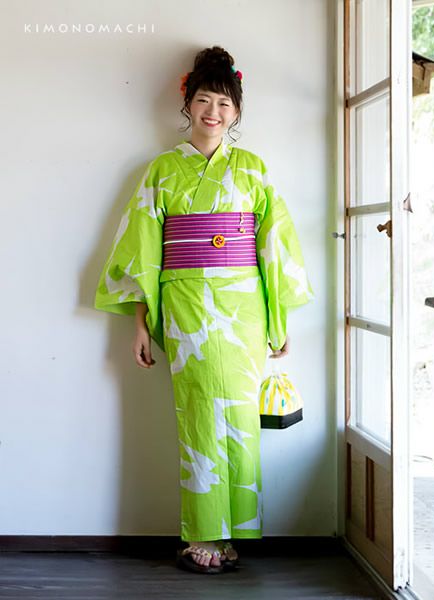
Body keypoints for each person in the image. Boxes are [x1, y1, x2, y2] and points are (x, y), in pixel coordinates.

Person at [94, 46, 314, 574]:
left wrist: (279, 320)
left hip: (244, 308)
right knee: (196, 415)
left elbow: (276, 248)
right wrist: (140, 322)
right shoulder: (162, 170)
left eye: (224, 103)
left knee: (240, 417)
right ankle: (201, 535)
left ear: (236, 111)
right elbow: (142, 248)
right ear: (187, 103)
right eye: (204, 100)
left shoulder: (253, 169)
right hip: (186, 303)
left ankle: (232, 531)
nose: (213, 112)